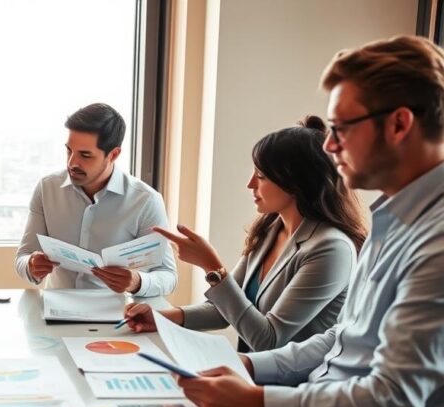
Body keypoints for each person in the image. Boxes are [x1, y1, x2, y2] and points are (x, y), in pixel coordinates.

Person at [175, 35, 444, 407]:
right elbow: (339, 339)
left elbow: (392, 403)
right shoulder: (392, 220)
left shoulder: (434, 243)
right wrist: (246, 367)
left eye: (341, 129)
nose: (329, 146)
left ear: (399, 124)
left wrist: (256, 400)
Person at [121, 117, 366, 351]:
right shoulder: (271, 230)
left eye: (261, 176)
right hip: (252, 372)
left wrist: (211, 267)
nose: (250, 184)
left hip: (299, 379)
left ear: (296, 182)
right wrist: (160, 318)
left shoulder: (331, 249)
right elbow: (223, 311)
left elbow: (268, 339)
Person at [15, 103, 177, 295]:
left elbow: (168, 276)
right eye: (69, 150)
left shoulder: (145, 201)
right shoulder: (47, 188)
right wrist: (30, 266)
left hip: (116, 310)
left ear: (113, 154)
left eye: (85, 155)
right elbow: (23, 256)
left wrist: (137, 282)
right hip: (55, 307)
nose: (72, 163)